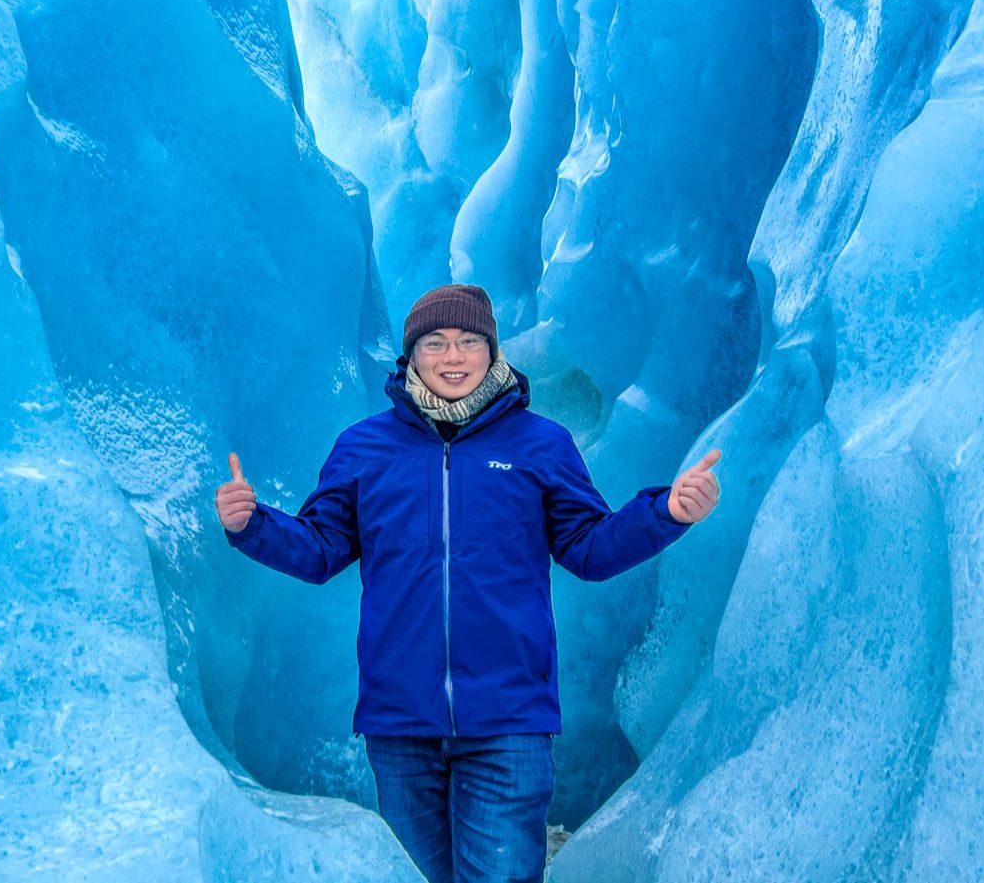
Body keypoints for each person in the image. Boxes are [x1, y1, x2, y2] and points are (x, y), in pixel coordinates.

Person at [215, 284, 721, 883]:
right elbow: (322, 548)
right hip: (400, 721)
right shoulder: (364, 448)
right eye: (435, 343)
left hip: (509, 719)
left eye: (468, 341)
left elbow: (588, 547)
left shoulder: (541, 444)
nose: (452, 356)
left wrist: (667, 512)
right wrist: (252, 526)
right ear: (411, 356)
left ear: (491, 352)